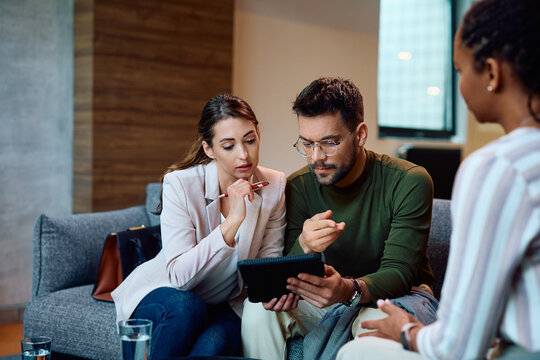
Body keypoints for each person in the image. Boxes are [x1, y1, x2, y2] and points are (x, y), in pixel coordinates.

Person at [336, 0, 540, 359]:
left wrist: (406, 330)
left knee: (358, 352)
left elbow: (457, 347)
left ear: (491, 73)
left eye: (459, 70)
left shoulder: (497, 167)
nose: (459, 85)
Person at [241, 77, 439, 360]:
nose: (315, 157)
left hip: (394, 299)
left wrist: (348, 289)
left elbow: (400, 272)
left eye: (329, 143)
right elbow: (288, 270)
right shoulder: (298, 186)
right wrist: (304, 245)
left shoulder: (408, 181)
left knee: (370, 340)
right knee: (257, 311)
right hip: (327, 300)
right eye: (306, 144)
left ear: (360, 135)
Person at [111, 94, 287, 359]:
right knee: (188, 307)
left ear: (259, 134)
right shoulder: (179, 184)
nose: (244, 154)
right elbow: (180, 277)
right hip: (169, 292)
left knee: (215, 342)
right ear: (209, 149)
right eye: (228, 146)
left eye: (250, 140)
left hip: (225, 302)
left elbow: (267, 265)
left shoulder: (275, 185)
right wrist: (232, 222)